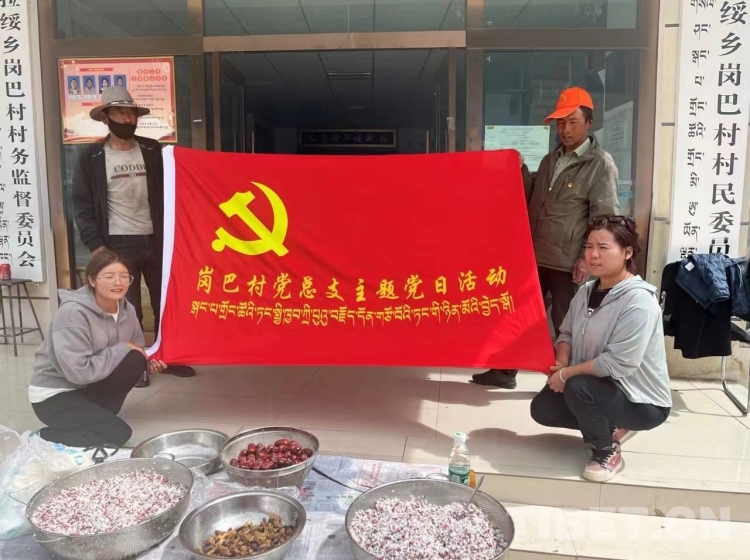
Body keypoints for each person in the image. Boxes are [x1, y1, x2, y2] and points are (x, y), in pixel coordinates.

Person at [473, 87, 620, 389]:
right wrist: (519, 169)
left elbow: (604, 218)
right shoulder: (550, 159)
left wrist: (586, 258)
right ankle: (504, 371)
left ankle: (570, 383)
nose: (565, 129)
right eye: (560, 123)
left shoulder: (600, 164)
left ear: (589, 123)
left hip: (567, 262)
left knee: (566, 325)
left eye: (573, 122)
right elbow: (532, 197)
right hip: (534, 255)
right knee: (519, 317)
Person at [530, 217, 671, 482]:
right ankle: (611, 426)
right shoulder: (585, 292)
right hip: (600, 387)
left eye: (603, 247)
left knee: (577, 386)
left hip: (641, 401)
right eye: (589, 246)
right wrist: (562, 363)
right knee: (543, 408)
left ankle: (606, 449)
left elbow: (618, 363)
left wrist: (567, 374)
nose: (593, 254)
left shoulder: (639, 301)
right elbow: (566, 333)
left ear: (627, 252)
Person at [72, 86, 195, 387]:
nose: (127, 118)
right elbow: (82, 204)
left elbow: (176, 188)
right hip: (117, 243)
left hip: (158, 240)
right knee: (128, 309)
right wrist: (96, 246)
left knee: (166, 302)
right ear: (106, 117)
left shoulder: (153, 151)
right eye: (120, 113)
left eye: (131, 113)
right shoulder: (92, 156)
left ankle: (168, 356)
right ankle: (135, 365)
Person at [28, 251, 167, 448]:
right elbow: (79, 373)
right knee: (118, 433)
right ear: (92, 280)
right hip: (55, 394)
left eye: (124, 276)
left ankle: (95, 417)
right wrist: (122, 348)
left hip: (86, 388)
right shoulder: (73, 313)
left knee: (136, 359)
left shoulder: (127, 309)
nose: (118, 282)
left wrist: (148, 364)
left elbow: (135, 350)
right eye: (109, 276)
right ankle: (43, 436)